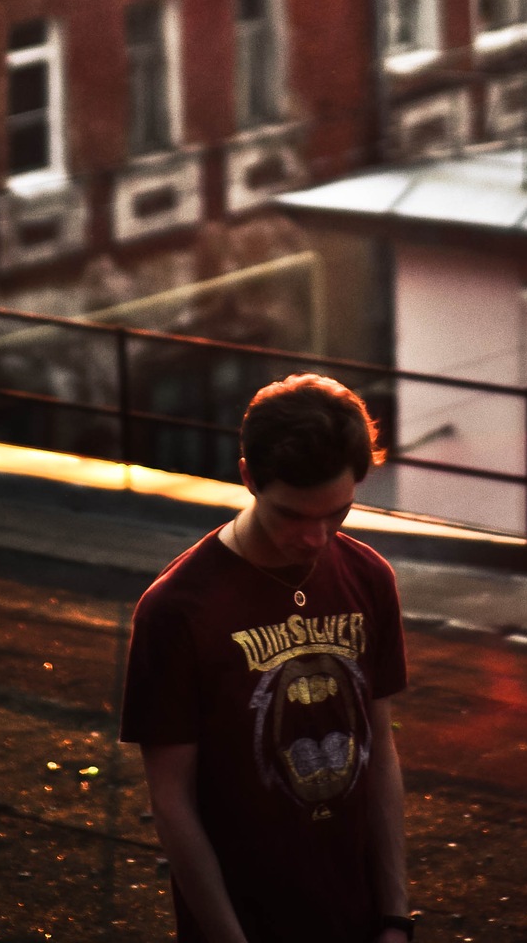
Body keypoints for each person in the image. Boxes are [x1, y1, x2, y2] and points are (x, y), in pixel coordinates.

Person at [121, 372, 413, 943]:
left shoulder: (369, 578)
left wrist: (396, 918)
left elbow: (380, 751)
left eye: (337, 513)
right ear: (249, 477)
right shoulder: (176, 610)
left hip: (359, 919)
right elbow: (172, 802)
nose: (317, 538)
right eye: (293, 516)